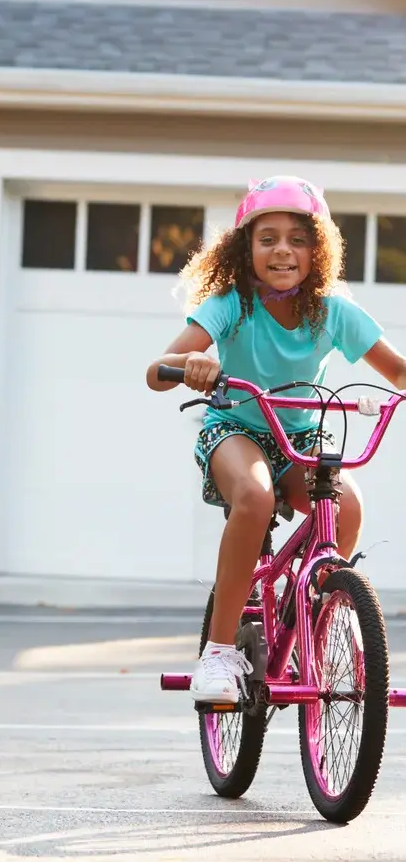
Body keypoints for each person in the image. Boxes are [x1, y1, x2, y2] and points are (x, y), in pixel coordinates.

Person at [146, 175, 406, 703]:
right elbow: (157, 370)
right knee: (256, 496)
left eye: (297, 238)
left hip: (302, 433)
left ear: (318, 250)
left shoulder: (334, 311)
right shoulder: (230, 304)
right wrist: (192, 363)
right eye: (267, 239)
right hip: (235, 429)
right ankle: (218, 652)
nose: (282, 250)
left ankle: (315, 607)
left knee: (346, 505)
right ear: (246, 249)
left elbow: (397, 371)